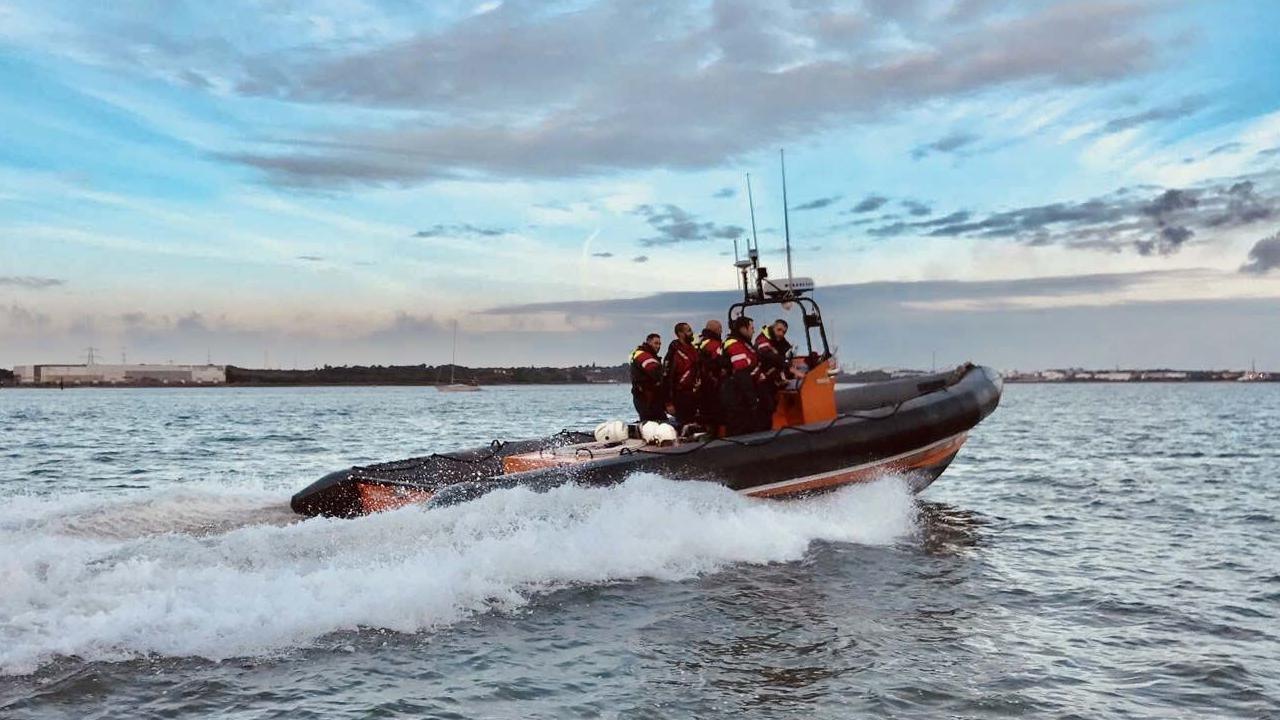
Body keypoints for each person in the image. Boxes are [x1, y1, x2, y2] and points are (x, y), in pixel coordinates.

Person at [720, 316, 765, 435]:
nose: (753, 331)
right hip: (738, 396)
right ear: (743, 329)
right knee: (740, 430)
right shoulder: (735, 344)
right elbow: (742, 372)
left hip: (742, 394)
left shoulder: (744, 344)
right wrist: (752, 399)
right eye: (752, 328)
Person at [663, 322, 700, 428]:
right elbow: (666, 377)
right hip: (680, 396)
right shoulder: (673, 352)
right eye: (688, 330)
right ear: (680, 333)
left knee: (694, 424)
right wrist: (668, 402)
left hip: (693, 395)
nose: (691, 333)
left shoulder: (693, 350)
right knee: (683, 424)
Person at [695, 319, 726, 429]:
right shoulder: (713, 344)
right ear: (715, 330)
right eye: (720, 329)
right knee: (716, 417)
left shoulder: (701, 342)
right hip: (712, 387)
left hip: (703, 386)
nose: (721, 331)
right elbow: (721, 361)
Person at [630, 333, 667, 423]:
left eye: (659, 344)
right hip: (645, 398)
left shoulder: (648, 355)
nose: (658, 346)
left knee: (659, 420)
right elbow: (655, 371)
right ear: (648, 342)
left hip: (651, 397)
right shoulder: (643, 355)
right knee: (650, 423)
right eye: (656, 343)